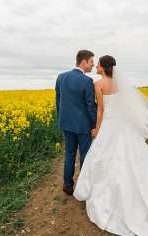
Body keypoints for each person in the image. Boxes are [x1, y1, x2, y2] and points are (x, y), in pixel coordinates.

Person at [73, 55, 148, 235]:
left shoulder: (98, 85)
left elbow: (100, 110)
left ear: (104, 66)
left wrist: (97, 129)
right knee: (134, 157)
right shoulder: (119, 84)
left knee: (102, 157)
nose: (97, 66)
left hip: (108, 124)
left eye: (98, 64)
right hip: (123, 125)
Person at [55, 50, 97, 196]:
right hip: (83, 125)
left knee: (69, 154)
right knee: (84, 155)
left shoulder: (61, 77)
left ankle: (68, 185)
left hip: (66, 124)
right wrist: (94, 125)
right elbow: (91, 106)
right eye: (92, 61)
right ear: (84, 61)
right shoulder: (87, 81)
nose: (93, 65)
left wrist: (62, 119)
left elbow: (58, 101)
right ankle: (83, 188)